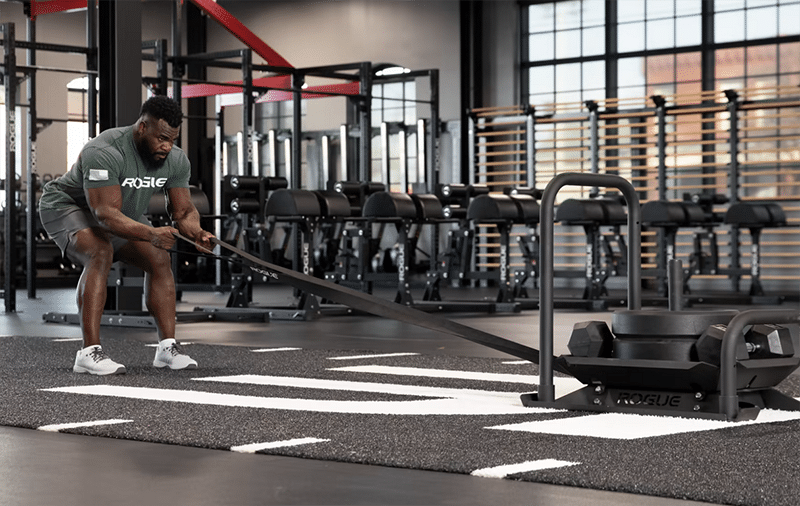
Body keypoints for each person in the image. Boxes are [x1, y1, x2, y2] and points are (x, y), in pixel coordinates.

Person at [38, 95, 215, 375]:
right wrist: (150, 232)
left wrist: (198, 233)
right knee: (100, 252)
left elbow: (182, 212)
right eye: (161, 138)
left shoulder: (176, 160)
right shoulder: (104, 151)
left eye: (172, 140)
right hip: (68, 207)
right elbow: (104, 214)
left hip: (120, 212)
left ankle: (167, 348)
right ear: (142, 127)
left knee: (159, 258)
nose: (166, 146)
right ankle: (88, 352)